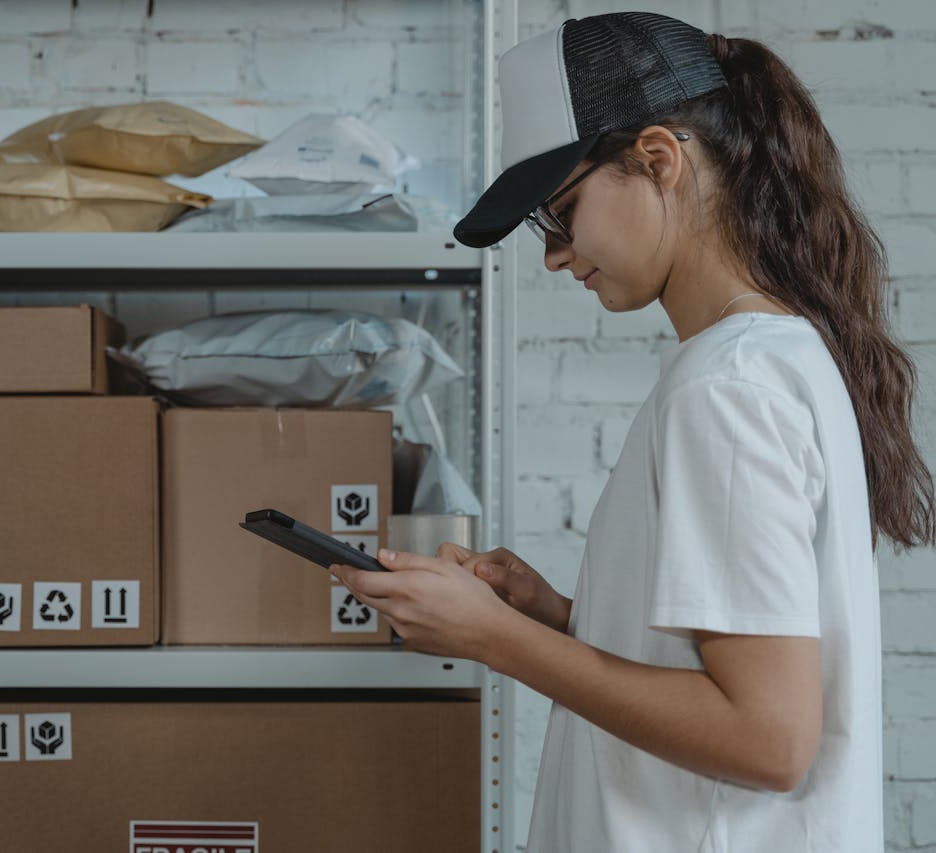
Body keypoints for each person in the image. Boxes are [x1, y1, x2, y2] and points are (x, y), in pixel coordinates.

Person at [330, 12, 935, 852]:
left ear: (659, 160)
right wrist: (553, 615)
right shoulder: (775, 358)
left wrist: (494, 639)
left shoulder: (726, 387)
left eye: (563, 211)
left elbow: (769, 739)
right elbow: (734, 671)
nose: (553, 254)